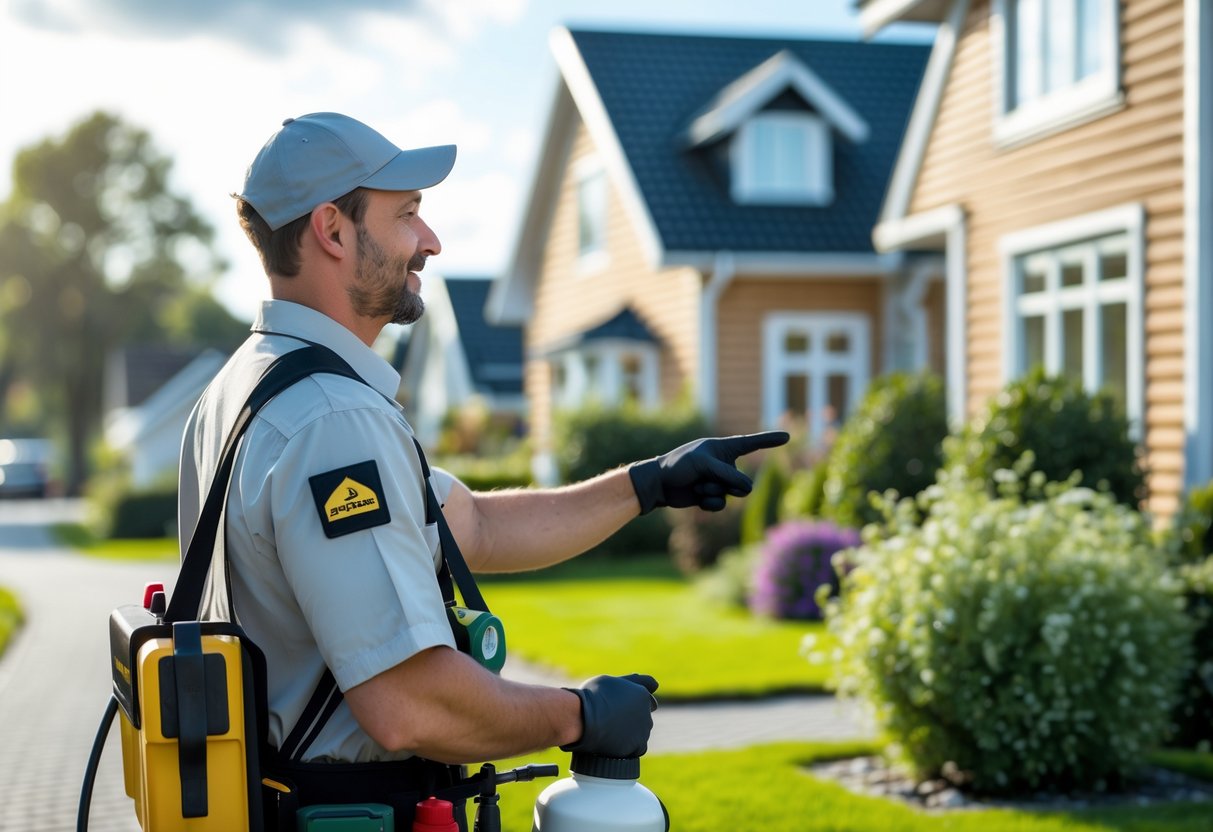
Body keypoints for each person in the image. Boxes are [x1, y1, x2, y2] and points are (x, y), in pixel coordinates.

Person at [177, 111, 787, 828]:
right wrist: (579, 716)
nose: (429, 242)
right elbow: (407, 702)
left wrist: (647, 483)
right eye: (406, 216)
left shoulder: (246, 389)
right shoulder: (331, 422)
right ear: (332, 231)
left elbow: (470, 526)